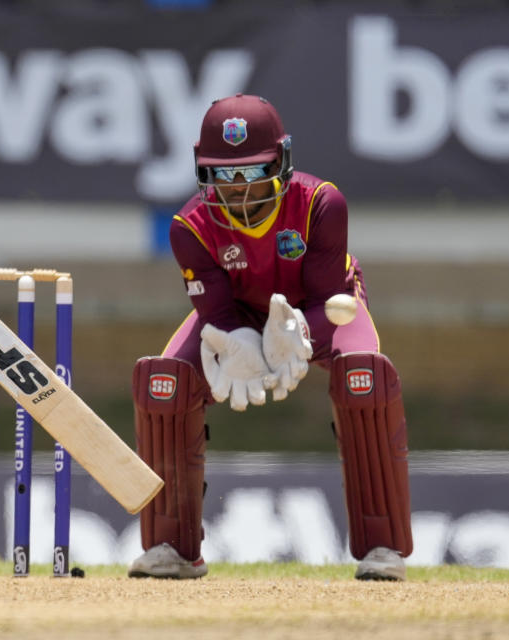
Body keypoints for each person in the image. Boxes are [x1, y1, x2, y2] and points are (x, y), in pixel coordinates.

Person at [128, 94, 412, 581]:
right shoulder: (188, 228)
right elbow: (215, 309)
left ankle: (381, 548)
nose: (238, 190)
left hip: (320, 310)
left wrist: (297, 330)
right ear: (203, 172)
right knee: (165, 384)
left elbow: (328, 297)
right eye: (223, 175)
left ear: (280, 162)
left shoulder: (322, 204)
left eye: (251, 173)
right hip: (237, 313)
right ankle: (174, 547)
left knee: (364, 378)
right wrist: (244, 340)